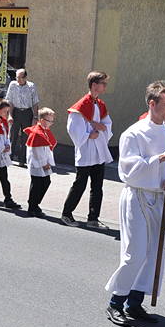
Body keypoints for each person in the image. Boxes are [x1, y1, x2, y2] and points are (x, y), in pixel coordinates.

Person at [104, 82, 165, 327]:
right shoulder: (134, 133)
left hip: (159, 198)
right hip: (137, 196)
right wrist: (158, 159)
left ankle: (135, 302)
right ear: (152, 104)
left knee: (153, 253)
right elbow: (128, 170)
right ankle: (116, 303)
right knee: (135, 252)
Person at [61, 71, 114, 229]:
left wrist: (101, 127)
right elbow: (73, 128)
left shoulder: (101, 104)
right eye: (103, 83)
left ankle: (93, 218)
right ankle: (66, 213)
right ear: (94, 85)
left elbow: (107, 124)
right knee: (80, 184)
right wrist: (88, 135)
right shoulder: (81, 105)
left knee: (97, 186)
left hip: (98, 151)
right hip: (86, 150)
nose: (105, 86)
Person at [24, 108, 57, 218]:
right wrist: (44, 163)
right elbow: (36, 150)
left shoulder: (44, 130)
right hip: (37, 164)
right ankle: (32, 206)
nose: (51, 123)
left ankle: (35, 203)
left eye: (52, 121)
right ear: (42, 120)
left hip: (44, 163)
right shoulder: (37, 132)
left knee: (46, 182)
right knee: (37, 184)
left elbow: (47, 148)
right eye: (49, 121)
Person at [5, 68, 40, 167]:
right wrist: (10, 115)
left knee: (25, 137)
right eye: (17, 77)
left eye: (20, 77)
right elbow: (10, 101)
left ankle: (22, 159)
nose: (18, 79)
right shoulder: (12, 85)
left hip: (27, 112)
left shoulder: (31, 86)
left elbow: (35, 103)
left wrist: (35, 117)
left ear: (25, 77)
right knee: (13, 135)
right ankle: (9, 157)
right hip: (16, 111)